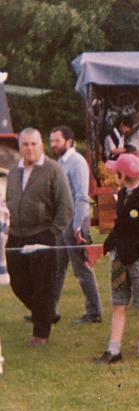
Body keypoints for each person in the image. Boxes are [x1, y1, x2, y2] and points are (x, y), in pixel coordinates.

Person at [6, 128, 73, 346]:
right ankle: (46, 313)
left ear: (41, 146)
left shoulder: (53, 169)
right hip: (16, 235)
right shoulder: (14, 171)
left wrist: (51, 233)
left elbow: (66, 206)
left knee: (42, 285)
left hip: (42, 234)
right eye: (25, 144)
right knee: (18, 284)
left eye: (34, 144)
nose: (29, 149)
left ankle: (40, 334)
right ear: (20, 147)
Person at [98, 153, 139, 364]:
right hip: (119, 259)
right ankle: (113, 349)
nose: (112, 175)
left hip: (138, 261)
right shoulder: (123, 196)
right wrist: (108, 245)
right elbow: (119, 227)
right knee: (119, 303)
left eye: (116, 172)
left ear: (124, 175)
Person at [49, 126, 103, 324]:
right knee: (56, 266)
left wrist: (79, 226)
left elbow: (82, 196)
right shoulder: (60, 163)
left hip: (75, 222)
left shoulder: (77, 162)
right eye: (52, 140)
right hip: (62, 222)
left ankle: (94, 312)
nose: (53, 144)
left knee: (81, 268)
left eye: (57, 140)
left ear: (69, 141)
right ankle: (48, 310)